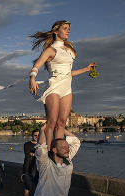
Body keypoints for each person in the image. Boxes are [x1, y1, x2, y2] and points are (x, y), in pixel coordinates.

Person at [29, 20, 96, 150]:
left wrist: (86, 69)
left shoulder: (68, 50)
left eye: (69, 28)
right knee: (51, 122)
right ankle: (49, 151)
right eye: (65, 28)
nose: (68, 31)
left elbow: (68, 73)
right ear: (55, 31)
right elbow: (37, 65)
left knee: (62, 123)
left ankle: (58, 151)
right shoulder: (51, 50)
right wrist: (32, 78)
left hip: (66, 88)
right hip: (54, 87)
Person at [22, 129, 40, 196]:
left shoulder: (41, 145)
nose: (36, 137)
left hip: (38, 169)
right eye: (35, 135)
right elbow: (28, 156)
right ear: (32, 136)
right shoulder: (27, 144)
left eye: (38, 135)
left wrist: (34, 154)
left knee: (38, 187)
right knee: (28, 186)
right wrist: (37, 155)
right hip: (28, 169)